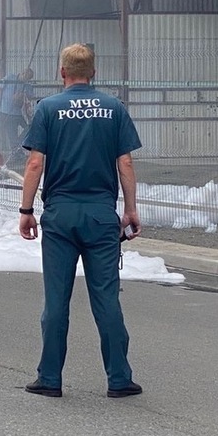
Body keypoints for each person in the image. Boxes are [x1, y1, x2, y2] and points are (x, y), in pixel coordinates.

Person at [18, 43, 143, 400]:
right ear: (94, 72)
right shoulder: (114, 108)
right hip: (101, 215)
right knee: (106, 300)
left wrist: (26, 211)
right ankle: (119, 378)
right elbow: (126, 164)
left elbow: (34, 164)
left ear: (62, 72)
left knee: (56, 301)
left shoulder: (48, 109)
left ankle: (50, 378)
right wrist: (130, 210)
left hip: (60, 215)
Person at [0, 67, 34, 159]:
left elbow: (30, 98)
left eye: (29, 78)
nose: (26, 79)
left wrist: (23, 95)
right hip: (6, 112)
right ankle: (16, 154)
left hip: (18, 113)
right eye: (26, 76)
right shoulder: (10, 77)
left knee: (31, 127)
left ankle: (18, 144)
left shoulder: (27, 85)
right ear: (22, 73)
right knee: (12, 133)